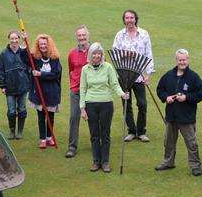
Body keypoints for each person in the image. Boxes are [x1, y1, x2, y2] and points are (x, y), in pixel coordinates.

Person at [80, 42, 129, 173]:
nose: (97, 55)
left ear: (101, 55)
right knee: (94, 134)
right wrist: (82, 108)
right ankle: (96, 161)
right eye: (94, 53)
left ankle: (105, 161)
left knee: (105, 133)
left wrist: (122, 94)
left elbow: (114, 84)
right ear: (90, 55)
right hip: (90, 104)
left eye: (99, 53)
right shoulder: (85, 69)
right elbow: (83, 89)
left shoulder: (108, 67)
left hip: (106, 104)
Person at [155, 49, 202, 176]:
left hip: (186, 117)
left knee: (191, 143)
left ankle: (195, 165)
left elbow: (200, 94)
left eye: (184, 59)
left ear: (188, 60)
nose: (182, 62)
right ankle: (168, 162)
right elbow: (160, 89)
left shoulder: (194, 77)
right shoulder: (168, 76)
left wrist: (186, 98)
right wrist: (166, 98)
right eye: (180, 60)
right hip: (171, 116)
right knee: (169, 142)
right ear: (176, 60)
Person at [112, 9, 154, 143]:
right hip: (124, 75)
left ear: (135, 19)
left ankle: (141, 131)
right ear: (124, 20)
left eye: (131, 18)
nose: (129, 20)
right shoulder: (120, 35)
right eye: (127, 18)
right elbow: (115, 53)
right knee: (126, 104)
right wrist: (126, 54)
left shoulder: (144, 34)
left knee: (142, 104)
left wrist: (148, 74)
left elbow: (149, 54)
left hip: (139, 76)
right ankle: (131, 130)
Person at [28, 34, 62, 149]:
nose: (43, 46)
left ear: (49, 45)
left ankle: (49, 137)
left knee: (50, 116)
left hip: (51, 92)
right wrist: (25, 42)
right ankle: (42, 139)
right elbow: (25, 59)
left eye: (45, 44)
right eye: (41, 44)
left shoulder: (55, 58)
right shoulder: (35, 58)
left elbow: (55, 74)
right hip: (39, 92)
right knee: (41, 116)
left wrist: (40, 74)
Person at [0, 30, 29, 139]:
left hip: (22, 86)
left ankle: (20, 131)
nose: (14, 41)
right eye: (12, 38)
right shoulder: (4, 53)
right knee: (11, 111)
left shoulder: (23, 52)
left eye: (16, 38)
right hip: (9, 87)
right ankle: (12, 131)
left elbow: (30, 65)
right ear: (9, 39)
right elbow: (0, 69)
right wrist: (2, 85)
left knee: (22, 109)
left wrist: (26, 41)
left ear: (19, 39)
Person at [65, 25, 90, 158]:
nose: (81, 38)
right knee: (74, 118)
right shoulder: (72, 53)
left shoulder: (95, 51)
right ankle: (72, 146)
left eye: (83, 35)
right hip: (76, 90)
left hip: (92, 91)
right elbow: (71, 70)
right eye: (79, 36)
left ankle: (96, 143)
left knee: (93, 118)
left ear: (88, 36)